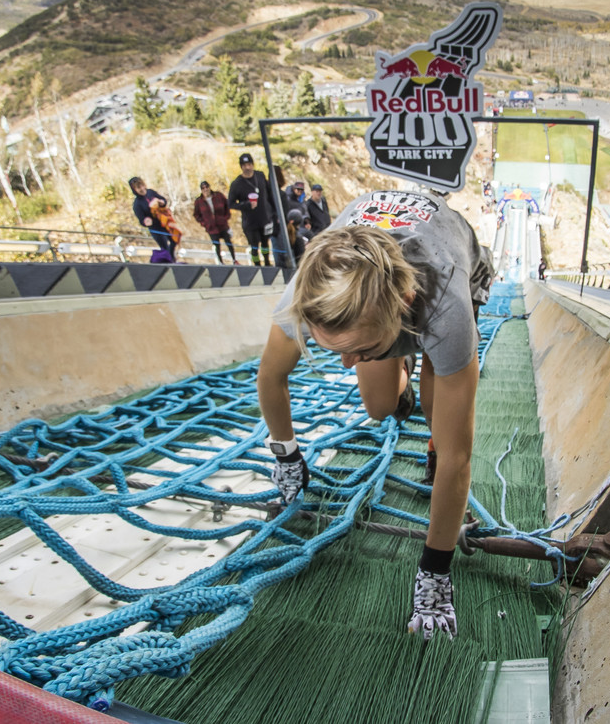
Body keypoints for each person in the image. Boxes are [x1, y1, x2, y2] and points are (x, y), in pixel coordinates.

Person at [256, 190, 494, 641]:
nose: (347, 365)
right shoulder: (311, 292)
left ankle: (424, 422)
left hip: (450, 252)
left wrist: (434, 575)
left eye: (359, 351)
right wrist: (286, 455)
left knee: (439, 415)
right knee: (379, 407)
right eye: (336, 351)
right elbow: (270, 376)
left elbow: (460, 459)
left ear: (402, 309)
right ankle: (393, 364)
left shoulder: (446, 307)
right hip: (385, 293)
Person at [228, 154, 276, 266]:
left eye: (249, 164)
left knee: (265, 244)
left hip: (264, 218)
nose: (247, 167)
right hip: (250, 222)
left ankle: (267, 262)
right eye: (244, 165)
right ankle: (257, 265)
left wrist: (273, 212)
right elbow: (231, 203)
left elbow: (269, 194)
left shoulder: (260, 176)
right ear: (241, 167)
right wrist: (246, 205)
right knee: (254, 246)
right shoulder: (237, 184)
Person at [129, 176, 176, 261]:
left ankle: (172, 258)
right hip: (155, 228)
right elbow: (141, 220)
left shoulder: (150, 192)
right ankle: (170, 262)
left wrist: (162, 202)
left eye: (142, 186)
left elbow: (163, 200)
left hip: (164, 222)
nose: (142, 189)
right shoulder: (137, 204)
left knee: (174, 240)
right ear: (135, 190)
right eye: (139, 188)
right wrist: (146, 221)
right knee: (164, 246)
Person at [193, 180, 238, 265]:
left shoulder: (218, 196)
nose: (205, 189)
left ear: (209, 187)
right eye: (203, 188)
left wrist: (225, 218)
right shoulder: (199, 201)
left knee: (228, 242)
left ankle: (234, 260)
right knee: (217, 245)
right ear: (201, 190)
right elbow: (196, 215)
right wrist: (204, 223)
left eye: (207, 187)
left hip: (222, 224)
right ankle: (220, 262)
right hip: (211, 227)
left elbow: (227, 206)